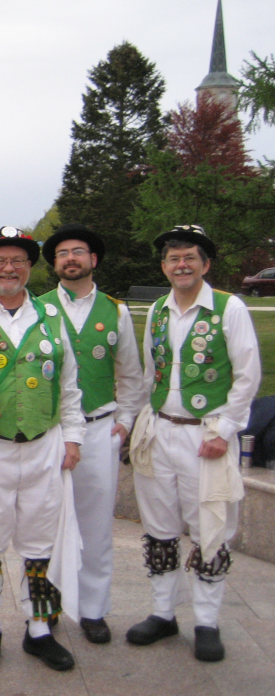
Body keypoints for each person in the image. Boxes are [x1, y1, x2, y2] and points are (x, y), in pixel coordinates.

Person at [126, 224, 260, 662]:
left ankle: (207, 621)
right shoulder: (160, 310)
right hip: (161, 429)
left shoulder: (229, 308)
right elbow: (151, 373)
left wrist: (223, 431)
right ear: (164, 267)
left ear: (206, 263)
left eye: (189, 258)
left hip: (206, 437)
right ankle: (164, 614)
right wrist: (142, 422)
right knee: (160, 527)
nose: (181, 265)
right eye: (173, 259)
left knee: (210, 527)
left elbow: (247, 375)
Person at [0, 226, 84, 672]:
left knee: (41, 539)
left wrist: (73, 437)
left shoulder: (53, 318)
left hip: (43, 446)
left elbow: (69, 386)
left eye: (17, 261)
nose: (7, 269)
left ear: (30, 267)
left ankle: (39, 628)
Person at [40, 223, 145, 643]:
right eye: (62, 253)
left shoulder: (116, 311)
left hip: (101, 430)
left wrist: (125, 423)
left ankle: (93, 610)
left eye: (78, 252)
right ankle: (44, 607)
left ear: (93, 259)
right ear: (54, 264)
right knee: (45, 524)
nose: (70, 259)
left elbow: (133, 375)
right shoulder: (39, 307)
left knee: (97, 527)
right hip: (50, 433)